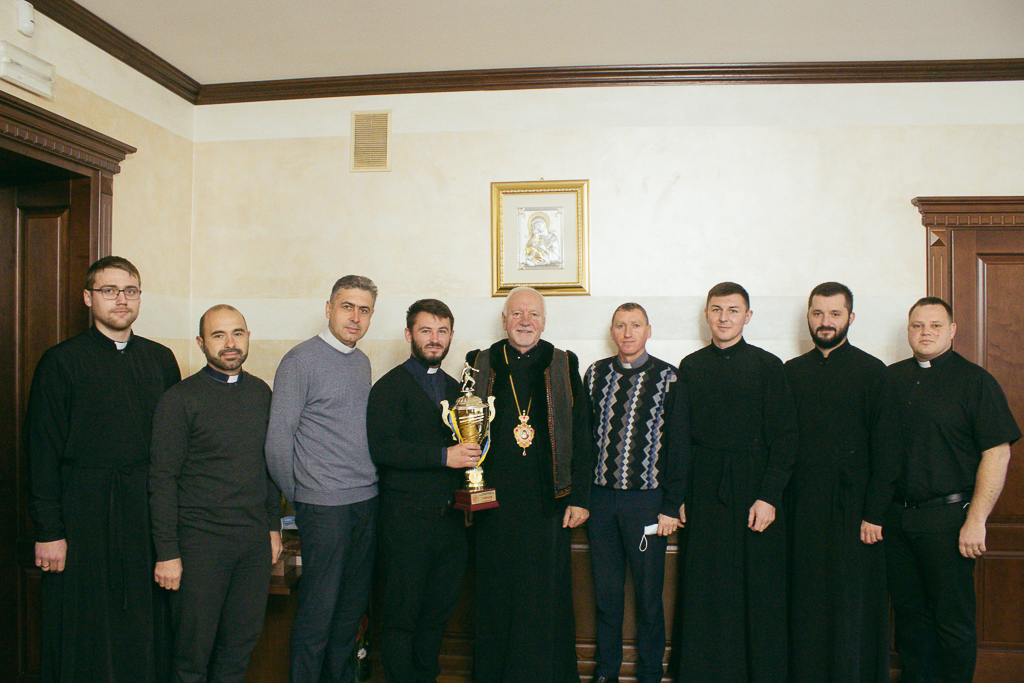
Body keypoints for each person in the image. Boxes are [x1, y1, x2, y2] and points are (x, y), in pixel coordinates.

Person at [26, 255, 181, 683]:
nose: (121, 299)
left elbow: (174, 447)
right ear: (88, 297)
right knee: (85, 622)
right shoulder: (60, 362)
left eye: (130, 291)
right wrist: (48, 530)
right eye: (109, 290)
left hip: (144, 511)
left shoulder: (161, 360)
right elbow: (41, 451)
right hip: (82, 512)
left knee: (143, 620)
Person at [885, 297, 1020, 683]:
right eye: (917, 326)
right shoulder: (890, 379)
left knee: (952, 621)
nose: (925, 333)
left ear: (952, 330)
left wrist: (976, 520)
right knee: (909, 618)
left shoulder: (975, 382)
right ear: (908, 331)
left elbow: (997, 453)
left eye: (935, 325)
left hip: (949, 519)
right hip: (898, 520)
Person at [465, 286, 594, 683]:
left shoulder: (563, 362)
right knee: (495, 594)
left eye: (533, 314)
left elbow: (583, 435)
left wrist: (580, 498)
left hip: (547, 503)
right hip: (493, 504)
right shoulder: (480, 362)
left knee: (543, 596)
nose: (525, 321)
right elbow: (461, 431)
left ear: (544, 321)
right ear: (504, 320)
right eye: (517, 314)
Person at [149, 305, 283, 683]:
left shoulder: (261, 393)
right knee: (192, 654)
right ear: (201, 342)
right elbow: (162, 479)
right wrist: (167, 551)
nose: (230, 343)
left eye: (237, 333)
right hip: (200, 543)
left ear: (248, 337)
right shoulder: (179, 399)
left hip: (253, 543)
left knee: (238, 649)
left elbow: (270, 467)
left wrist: (272, 527)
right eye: (218, 335)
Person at [674, 282, 798, 683]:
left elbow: (785, 437)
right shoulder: (691, 366)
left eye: (732, 310)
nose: (724, 318)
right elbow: (679, 437)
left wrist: (769, 496)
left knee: (756, 586)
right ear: (706, 315)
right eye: (716, 309)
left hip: (754, 488)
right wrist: (679, 494)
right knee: (706, 584)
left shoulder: (768, 365)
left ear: (747, 316)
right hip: (703, 487)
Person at [265, 275, 379, 683]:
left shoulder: (361, 361)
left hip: (365, 500)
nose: (355, 317)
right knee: (318, 612)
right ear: (329, 308)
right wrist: (302, 497)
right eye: (347, 307)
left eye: (364, 310)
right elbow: (277, 442)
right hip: (323, 506)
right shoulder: (299, 361)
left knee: (350, 612)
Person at [784, 283, 895, 683]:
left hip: (857, 510)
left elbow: (887, 450)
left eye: (834, 314)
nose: (825, 322)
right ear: (808, 317)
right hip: (802, 508)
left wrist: (874, 513)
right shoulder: (791, 372)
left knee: (851, 603)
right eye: (817, 314)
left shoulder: (873, 372)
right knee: (806, 601)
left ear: (850, 317)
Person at [367, 299, 477, 683]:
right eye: (426, 330)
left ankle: (426, 677)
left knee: (437, 614)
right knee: (401, 616)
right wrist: (444, 457)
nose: (434, 339)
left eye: (442, 331)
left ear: (451, 336)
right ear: (408, 334)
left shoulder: (456, 389)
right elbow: (383, 449)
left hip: (450, 524)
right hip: (404, 523)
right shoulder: (388, 387)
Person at [583, 303, 688, 683]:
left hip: (646, 502)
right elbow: (583, 439)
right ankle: (606, 672)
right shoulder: (594, 374)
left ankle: (649, 674)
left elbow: (679, 446)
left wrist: (671, 505)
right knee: (606, 595)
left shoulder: (668, 377)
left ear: (648, 330)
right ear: (612, 331)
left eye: (636, 325)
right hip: (600, 501)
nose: (628, 332)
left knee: (648, 597)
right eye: (621, 325)